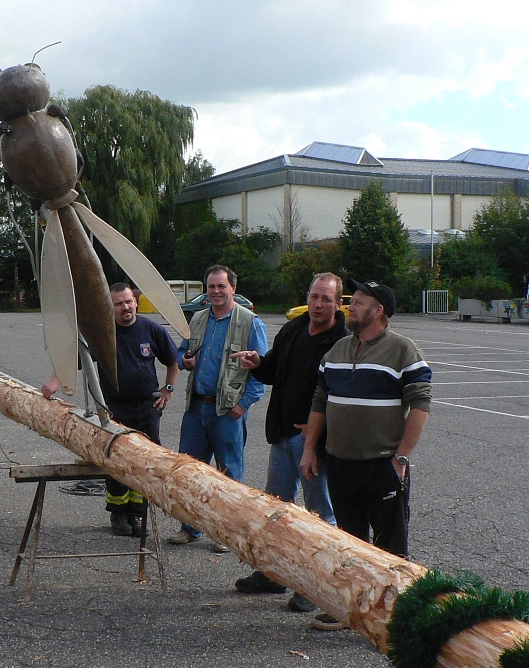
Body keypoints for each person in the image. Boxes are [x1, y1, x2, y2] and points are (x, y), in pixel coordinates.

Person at [300, 279, 431, 630]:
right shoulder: (338, 350)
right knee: (349, 544)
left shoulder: (402, 351)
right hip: (340, 465)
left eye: (358, 302)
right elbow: (319, 401)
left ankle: (394, 619)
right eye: (351, 301)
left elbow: (420, 404)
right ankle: (350, 610)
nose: (350, 307)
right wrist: (310, 450)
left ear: (379, 311)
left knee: (390, 549)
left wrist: (401, 458)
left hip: (382, 466)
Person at [231, 273, 349, 613]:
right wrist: (257, 363)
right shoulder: (294, 329)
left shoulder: (342, 342)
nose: (318, 304)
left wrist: (317, 428)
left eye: (326, 299)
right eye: (314, 296)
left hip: (314, 441)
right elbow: (272, 369)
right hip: (283, 434)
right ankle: (274, 574)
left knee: (318, 515)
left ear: (338, 304)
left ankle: (316, 586)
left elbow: (342, 394)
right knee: (276, 510)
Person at [42, 283, 179, 537]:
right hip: (114, 409)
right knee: (115, 461)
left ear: (135, 302)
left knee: (145, 463)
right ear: (110, 307)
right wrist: (55, 380)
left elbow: (173, 361)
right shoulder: (103, 333)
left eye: (128, 302)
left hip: (147, 409)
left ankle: (137, 514)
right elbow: (73, 358)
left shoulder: (152, 330)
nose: (125, 307)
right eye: (118, 304)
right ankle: (118, 514)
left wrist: (168, 389)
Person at [168, 264, 268, 552]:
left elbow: (262, 369)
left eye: (221, 286)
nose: (216, 291)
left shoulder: (250, 322)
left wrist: (244, 404)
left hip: (227, 412)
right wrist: (184, 360)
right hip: (196, 408)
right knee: (189, 472)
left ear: (233, 288)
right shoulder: (199, 319)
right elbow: (181, 351)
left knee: (229, 476)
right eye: (211, 287)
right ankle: (190, 529)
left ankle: (227, 535)